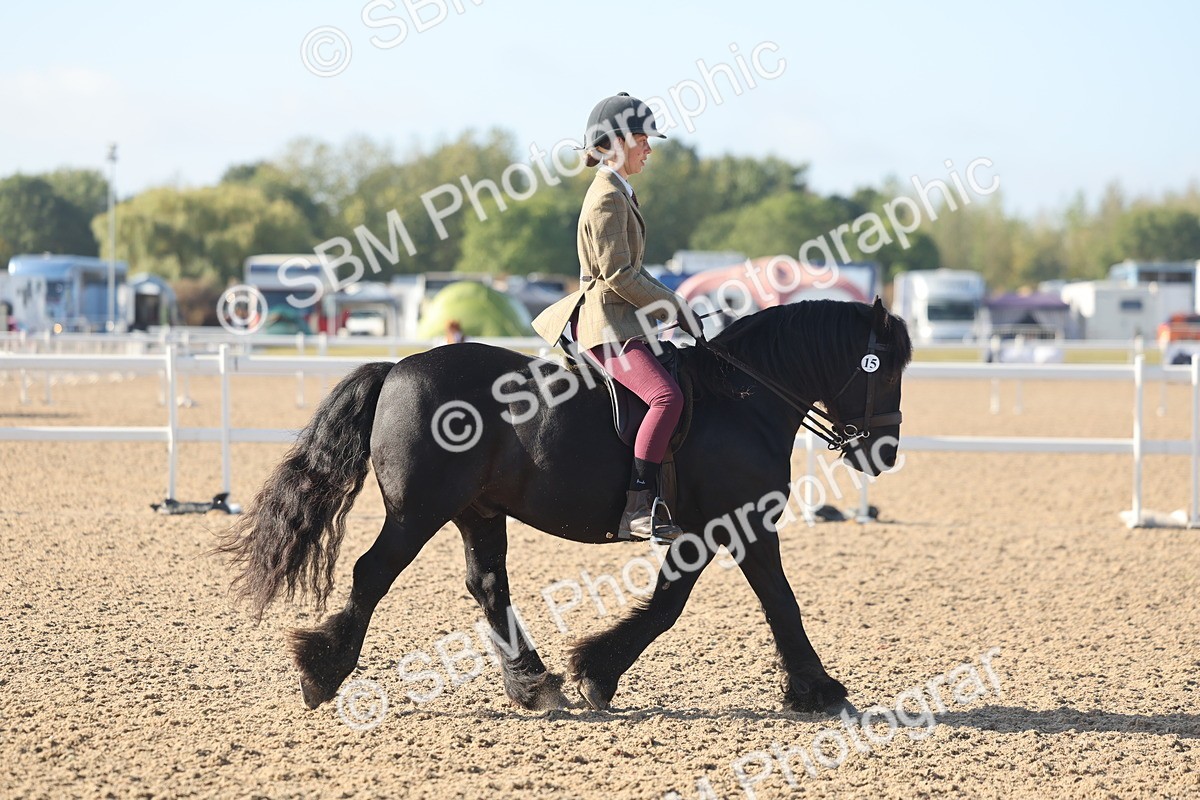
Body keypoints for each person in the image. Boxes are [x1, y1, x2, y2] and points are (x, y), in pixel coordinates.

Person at [533, 92, 703, 544]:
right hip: (606, 326)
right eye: (644, 139)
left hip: (626, 322)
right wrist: (674, 307)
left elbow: (636, 270)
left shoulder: (621, 193)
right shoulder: (606, 197)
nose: (649, 148)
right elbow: (617, 275)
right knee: (666, 398)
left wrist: (675, 303)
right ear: (619, 141)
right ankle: (638, 506)